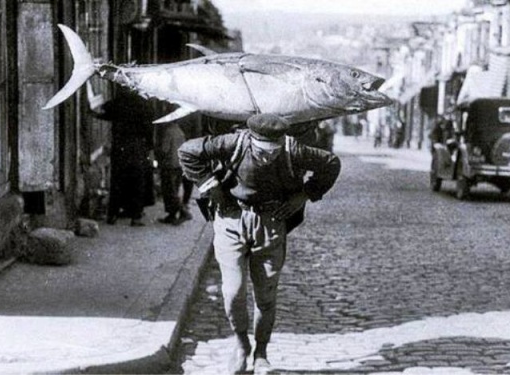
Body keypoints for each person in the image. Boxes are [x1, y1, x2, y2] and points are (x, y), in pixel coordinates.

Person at [178, 114, 341, 374]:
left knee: (266, 296)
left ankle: (261, 353)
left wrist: (305, 194)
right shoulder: (233, 143)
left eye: (272, 152)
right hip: (231, 220)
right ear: (251, 138)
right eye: (262, 152)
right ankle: (241, 342)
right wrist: (212, 187)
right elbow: (187, 152)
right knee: (233, 291)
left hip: (271, 223)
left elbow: (331, 163)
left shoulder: (292, 149)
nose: (267, 157)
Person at [95, 90, 155, 227]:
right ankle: (136, 217)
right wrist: (150, 148)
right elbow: (148, 129)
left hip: (120, 147)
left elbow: (105, 110)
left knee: (117, 180)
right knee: (137, 182)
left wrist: (96, 114)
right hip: (137, 147)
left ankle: (113, 215)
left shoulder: (119, 101)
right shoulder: (143, 104)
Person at [154, 121, 192, 225]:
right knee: (174, 189)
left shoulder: (168, 132)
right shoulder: (180, 131)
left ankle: (182, 212)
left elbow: (164, 149)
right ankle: (172, 215)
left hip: (169, 165)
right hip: (179, 165)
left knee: (169, 191)